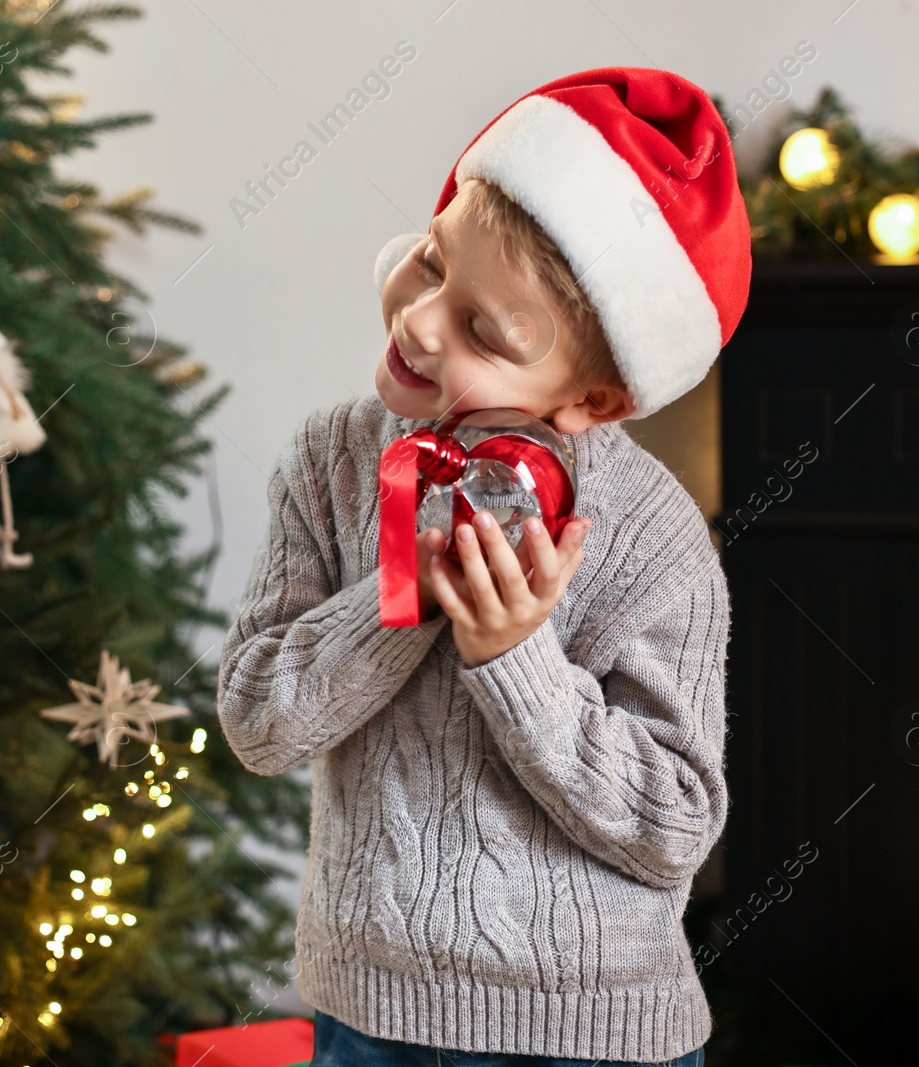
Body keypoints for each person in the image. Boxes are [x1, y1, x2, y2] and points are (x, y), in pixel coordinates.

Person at [216, 66, 752, 1066]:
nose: (420, 321)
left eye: (482, 332)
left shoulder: (652, 538)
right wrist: (399, 595)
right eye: (431, 262)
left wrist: (516, 658)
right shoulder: (331, 458)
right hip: (373, 1014)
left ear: (592, 398)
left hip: (593, 1036)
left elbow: (672, 825)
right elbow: (257, 721)